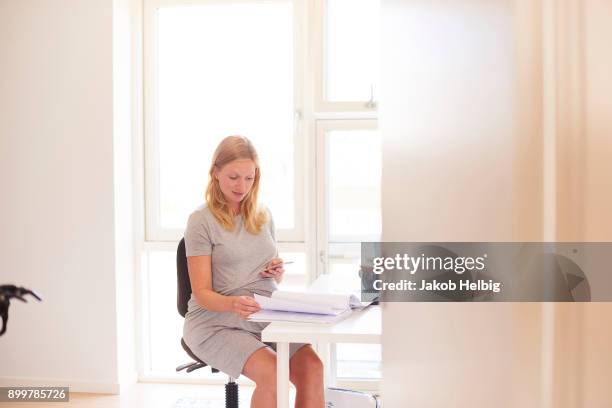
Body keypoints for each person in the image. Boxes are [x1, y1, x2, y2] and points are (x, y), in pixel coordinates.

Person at [183, 135, 324, 408]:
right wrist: (234, 303)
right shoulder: (201, 221)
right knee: (273, 373)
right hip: (216, 321)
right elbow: (201, 293)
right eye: (234, 177)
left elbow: (269, 275)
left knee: (312, 368)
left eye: (249, 178)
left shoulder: (263, 215)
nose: (242, 186)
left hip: (264, 314)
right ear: (215, 172)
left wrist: (276, 270)